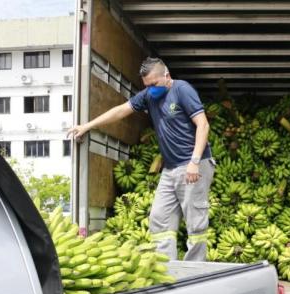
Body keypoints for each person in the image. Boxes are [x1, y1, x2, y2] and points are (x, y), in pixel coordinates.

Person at [68, 57, 213, 261]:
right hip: (170, 169)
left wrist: (195, 161)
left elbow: (203, 125)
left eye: (154, 84)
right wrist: (87, 126)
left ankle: (196, 272)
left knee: (195, 222)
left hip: (193, 164)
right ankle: (167, 268)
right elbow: (120, 110)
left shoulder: (182, 90)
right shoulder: (149, 96)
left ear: (167, 75)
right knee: (159, 218)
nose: (151, 89)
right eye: (147, 86)